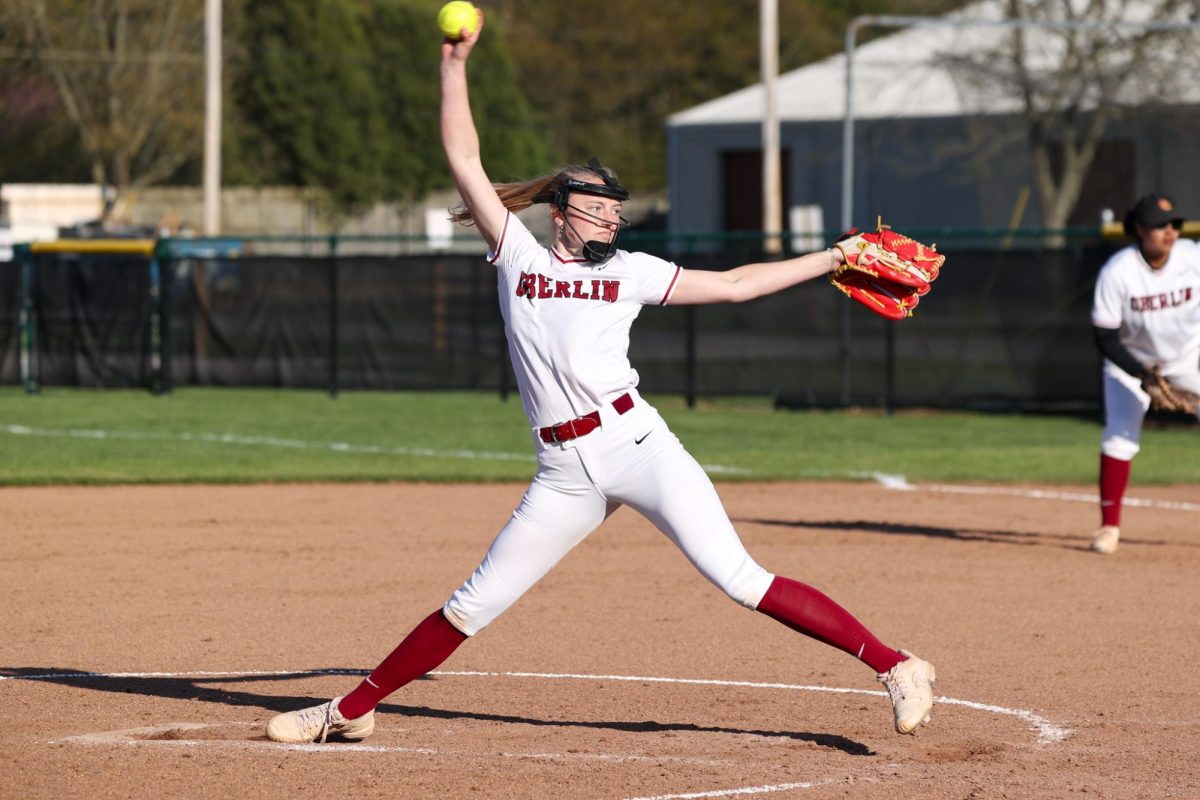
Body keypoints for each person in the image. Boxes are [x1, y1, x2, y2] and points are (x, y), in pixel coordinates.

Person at [265, 8, 936, 744]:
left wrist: (832, 257)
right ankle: (351, 712)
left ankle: (897, 665)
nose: (610, 223)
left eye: (615, 213)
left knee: (740, 579)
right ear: (560, 213)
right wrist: (453, 64)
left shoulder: (631, 273)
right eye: (596, 211)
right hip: (562, 472)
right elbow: (463, 158)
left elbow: (739, 285)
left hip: (635, 443)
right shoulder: (517, 257)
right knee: (472, 604)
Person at [1089, 193, 1200, 555]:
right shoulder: (1118, 272)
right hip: (1131, 363)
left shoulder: (1191, 258)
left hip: (1187, 359)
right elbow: (1105, 335)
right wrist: (1142, 374)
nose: (1169, 232)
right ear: (1139, 228)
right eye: (1159, 225)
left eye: (1174, 225)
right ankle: (1109, 528)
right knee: (1119, 437)